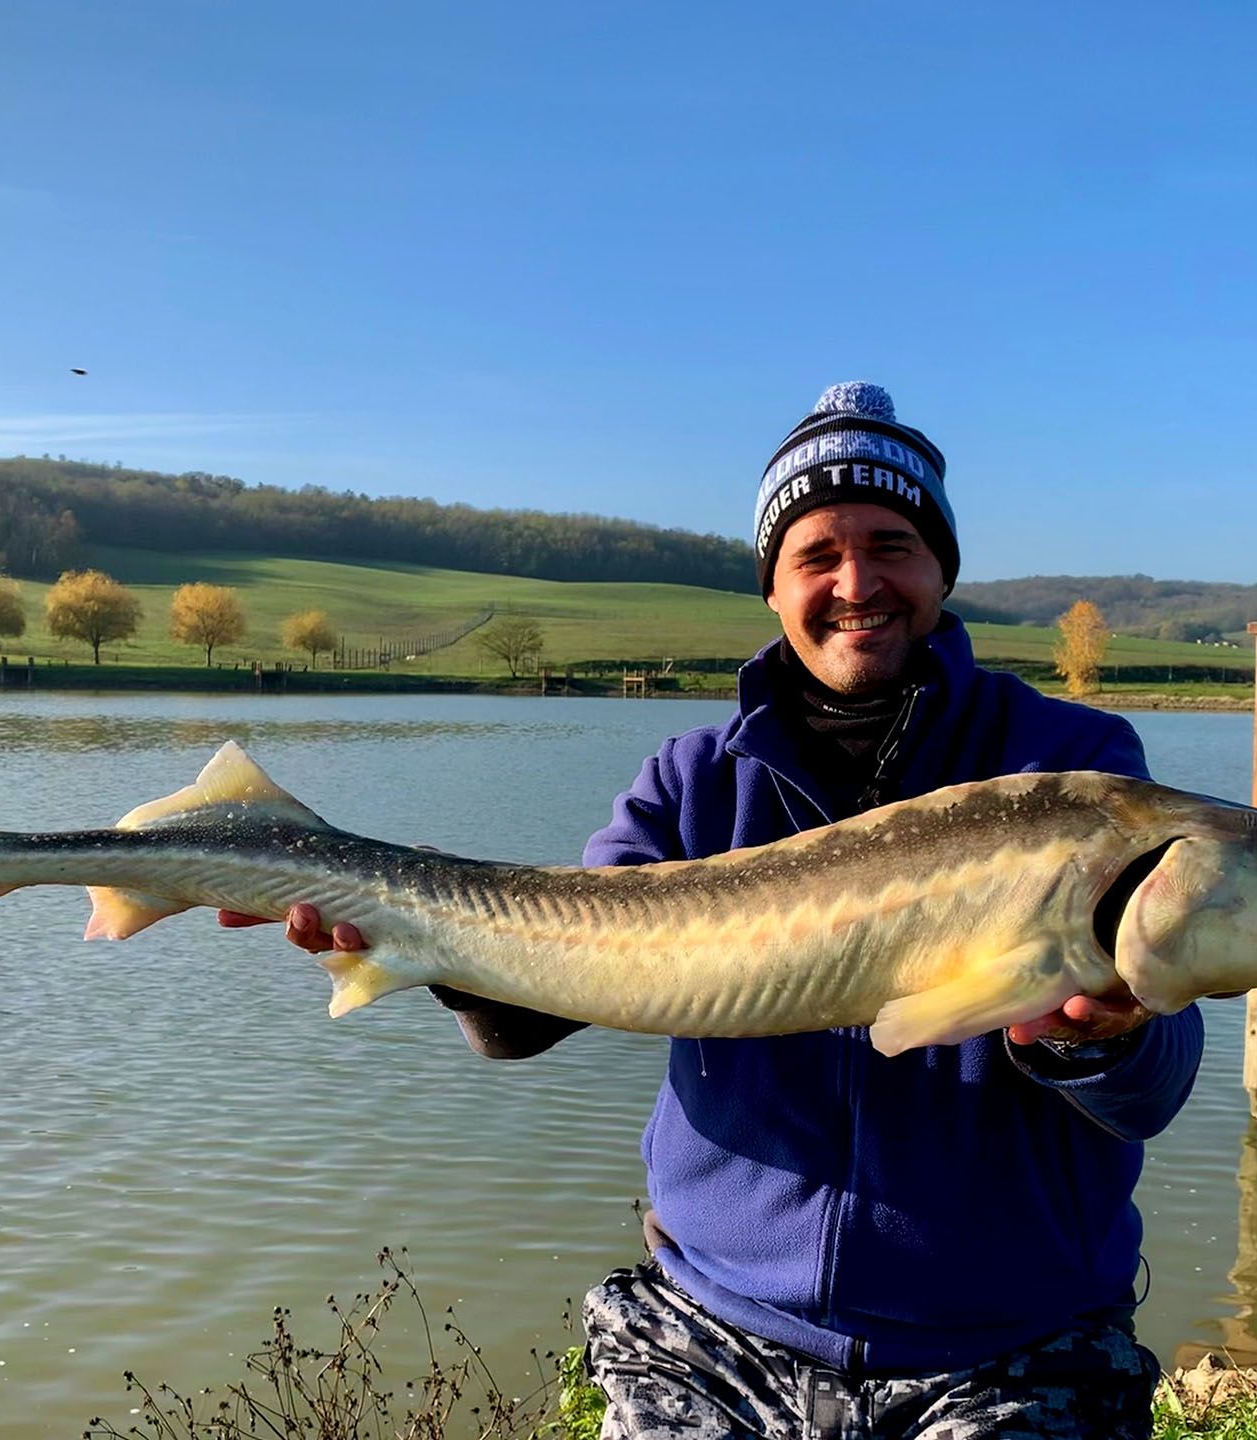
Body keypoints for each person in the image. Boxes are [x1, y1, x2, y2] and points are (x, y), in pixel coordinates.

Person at [228, 382, 1203, 1439]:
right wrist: (405, 922)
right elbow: (534, 1009)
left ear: (941, 570)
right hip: (716, 1334)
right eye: (816, 555)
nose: (857, 583)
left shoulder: (1074, 771)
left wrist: (1106, 1037)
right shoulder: (695, 779)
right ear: (774, 589)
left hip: (1012, 1342)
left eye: (892, 546)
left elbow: (1150, 1091)